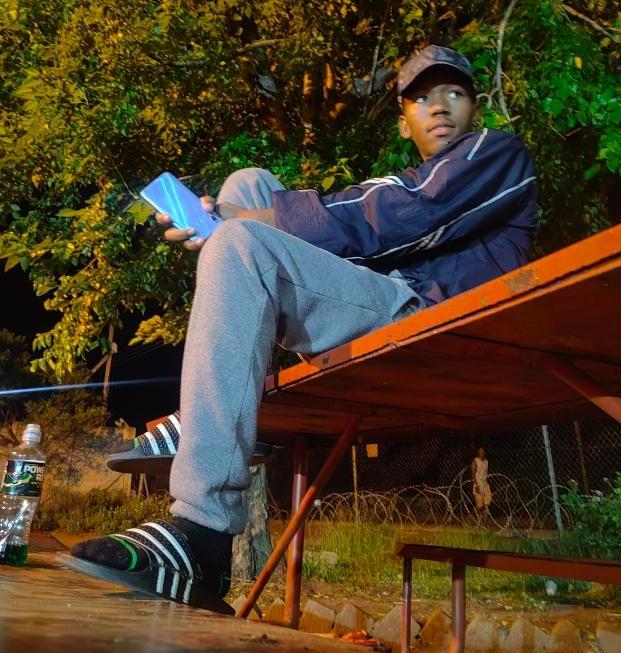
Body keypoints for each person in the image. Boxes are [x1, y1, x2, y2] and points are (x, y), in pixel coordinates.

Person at [67, 45, 537, 611]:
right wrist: (237, 215)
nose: (439, 107)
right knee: (249, 184)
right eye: (421, 98)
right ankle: (222, 409)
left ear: (475, 107)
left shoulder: (497, 153)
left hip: (433, 322)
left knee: (239, 240)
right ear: (403, 120)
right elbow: (363, 216)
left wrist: (238, 228)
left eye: (454, 93)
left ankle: (202, 533)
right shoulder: (401, 177)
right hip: (382, 309)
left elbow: (400, 214)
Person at [472, 446, 492, 526]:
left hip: (485, 484)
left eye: (483, 451)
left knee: (486, 503)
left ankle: (485, 522)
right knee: (479, 506)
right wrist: (475, 485)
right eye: (480, 451)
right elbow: (473, 473)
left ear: (485, 453)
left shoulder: (486, 462)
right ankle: (470, 517)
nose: (481, 453)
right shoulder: (476, 460)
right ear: (478, 453)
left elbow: (486, 473)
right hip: (478, 483)